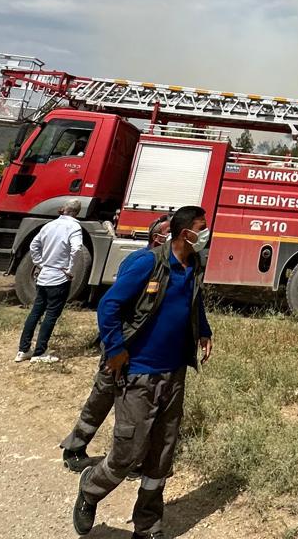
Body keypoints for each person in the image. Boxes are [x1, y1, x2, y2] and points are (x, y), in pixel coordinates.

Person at [71, 205, 213, 539]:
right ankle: (91, 488)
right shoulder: (148, 262)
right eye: (202, 228)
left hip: (174, 374)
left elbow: (194, 302)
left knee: (161, 456)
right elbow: (109, 305)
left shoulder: (193, 265)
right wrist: (116, 349)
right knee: (127, 453)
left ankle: (148, 525)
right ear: (184, 233)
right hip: (139, 374)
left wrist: (204, 330)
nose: (207, 234)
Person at [59, 218, 173, 472]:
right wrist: (114, 348)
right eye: (170, 231)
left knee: (140, 408)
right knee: (104, 394)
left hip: (148, 352)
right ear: (157, 238)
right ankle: (75, 446)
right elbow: (112, 306)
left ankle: (133, 457)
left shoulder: (172, 266)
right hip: (124, 346)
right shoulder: (141, 262)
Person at [18, 201, 85, 364]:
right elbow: (77, 248)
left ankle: (23, 350)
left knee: (35, 312)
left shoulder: (49, 225)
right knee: (51, 315)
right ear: (77, 213)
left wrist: (39, 263)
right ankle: (40, 352)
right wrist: (69, 269)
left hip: (43, 276)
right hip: (59, 277)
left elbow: (34, 245)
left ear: (63, 210)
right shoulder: (74, 227)